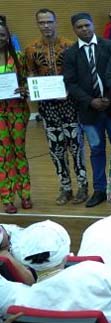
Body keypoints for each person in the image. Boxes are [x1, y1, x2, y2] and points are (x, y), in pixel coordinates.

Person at [63, 12, 111, 208]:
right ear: (74, 29)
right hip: (89, 112)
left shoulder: (110, 46)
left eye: (87, 25)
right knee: (97, 150)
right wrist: (91, 101)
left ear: (92, 25)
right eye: (79, 27)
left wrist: (108, 97)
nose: (84, 29)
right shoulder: (70, 53)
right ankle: (100, 189)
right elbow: (71, 83)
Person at [25, 8, 86, 205]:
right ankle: (65, 187)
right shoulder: (31, 49)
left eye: (49, 22)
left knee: (75, 146)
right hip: (48, 108)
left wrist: (71, 91)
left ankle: (83, 185)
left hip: (70, 105)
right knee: (55, 148)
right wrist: (31, 88)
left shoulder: (70, 46)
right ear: (37, 24)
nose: (46, 26)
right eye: (42, 22)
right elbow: (31, 74)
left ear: (55, 22)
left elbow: (79, 74)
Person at [0, 20, 31, 214]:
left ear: (8, 36)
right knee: (3, 156)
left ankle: (25, 195)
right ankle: (7, 197)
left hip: (18, 111)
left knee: (19, 153)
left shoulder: (18, 57)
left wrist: (24, 90)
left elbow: (30, 85)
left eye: (2, 35)